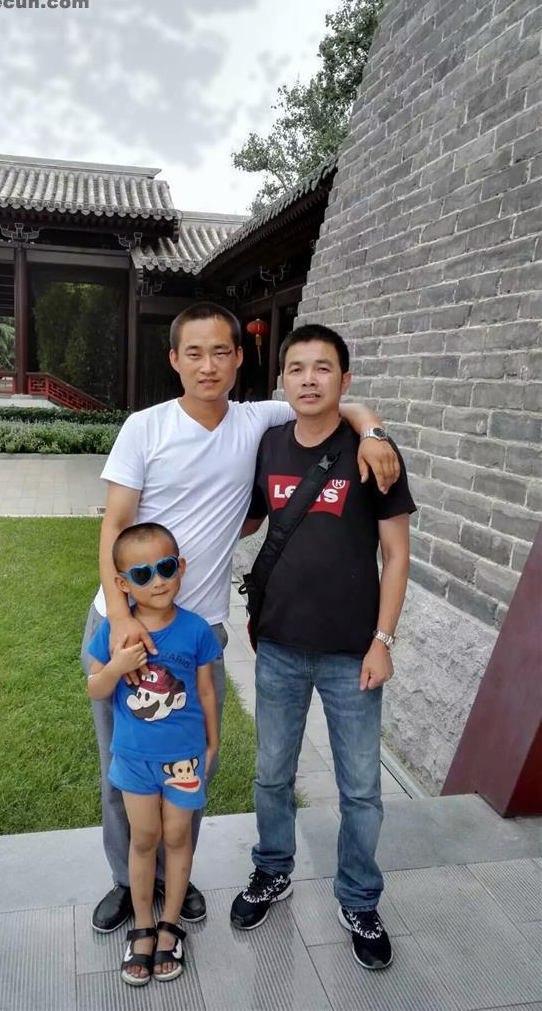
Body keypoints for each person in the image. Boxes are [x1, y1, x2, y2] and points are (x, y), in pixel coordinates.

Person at [80, 301, 401, 934]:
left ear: (239, 360)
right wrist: (120, 616)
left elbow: (334, 401)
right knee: (123, 763)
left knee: (190, 760)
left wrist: (371, 429)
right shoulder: (144, 427)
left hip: (199, 629)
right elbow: (114, 525)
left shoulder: (257, 419)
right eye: (194, 353)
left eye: (221, 352)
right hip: (127, 622)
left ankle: (176, 876)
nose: (208, 365)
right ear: (174, 360)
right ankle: (127, 881)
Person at [230, 323, 416, 972]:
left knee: (360, 788)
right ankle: (272, 870)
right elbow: (250, 517)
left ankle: (359, 899)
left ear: (345, 378)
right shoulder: (269, 444)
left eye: (323, 368)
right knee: (271, 774)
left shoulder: (374, 452)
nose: (309, 379)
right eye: (297, 368)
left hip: (351, 653)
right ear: (283, 379)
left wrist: (383, 641)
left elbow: (396, 556)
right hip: (280, 646)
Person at [87, 521, 220, 986]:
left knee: (178, 837)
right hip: (134, 760)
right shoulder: (114, 632)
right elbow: (96, 687)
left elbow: (206, 691)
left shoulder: (196, 630)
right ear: (122, 584)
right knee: (143, 839)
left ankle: (170, 925)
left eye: (165, 568)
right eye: (142, 574)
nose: (157, 581)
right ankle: (143, 925)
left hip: (183, 760)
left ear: (180, 567)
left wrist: (212, 742)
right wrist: (118, 665)